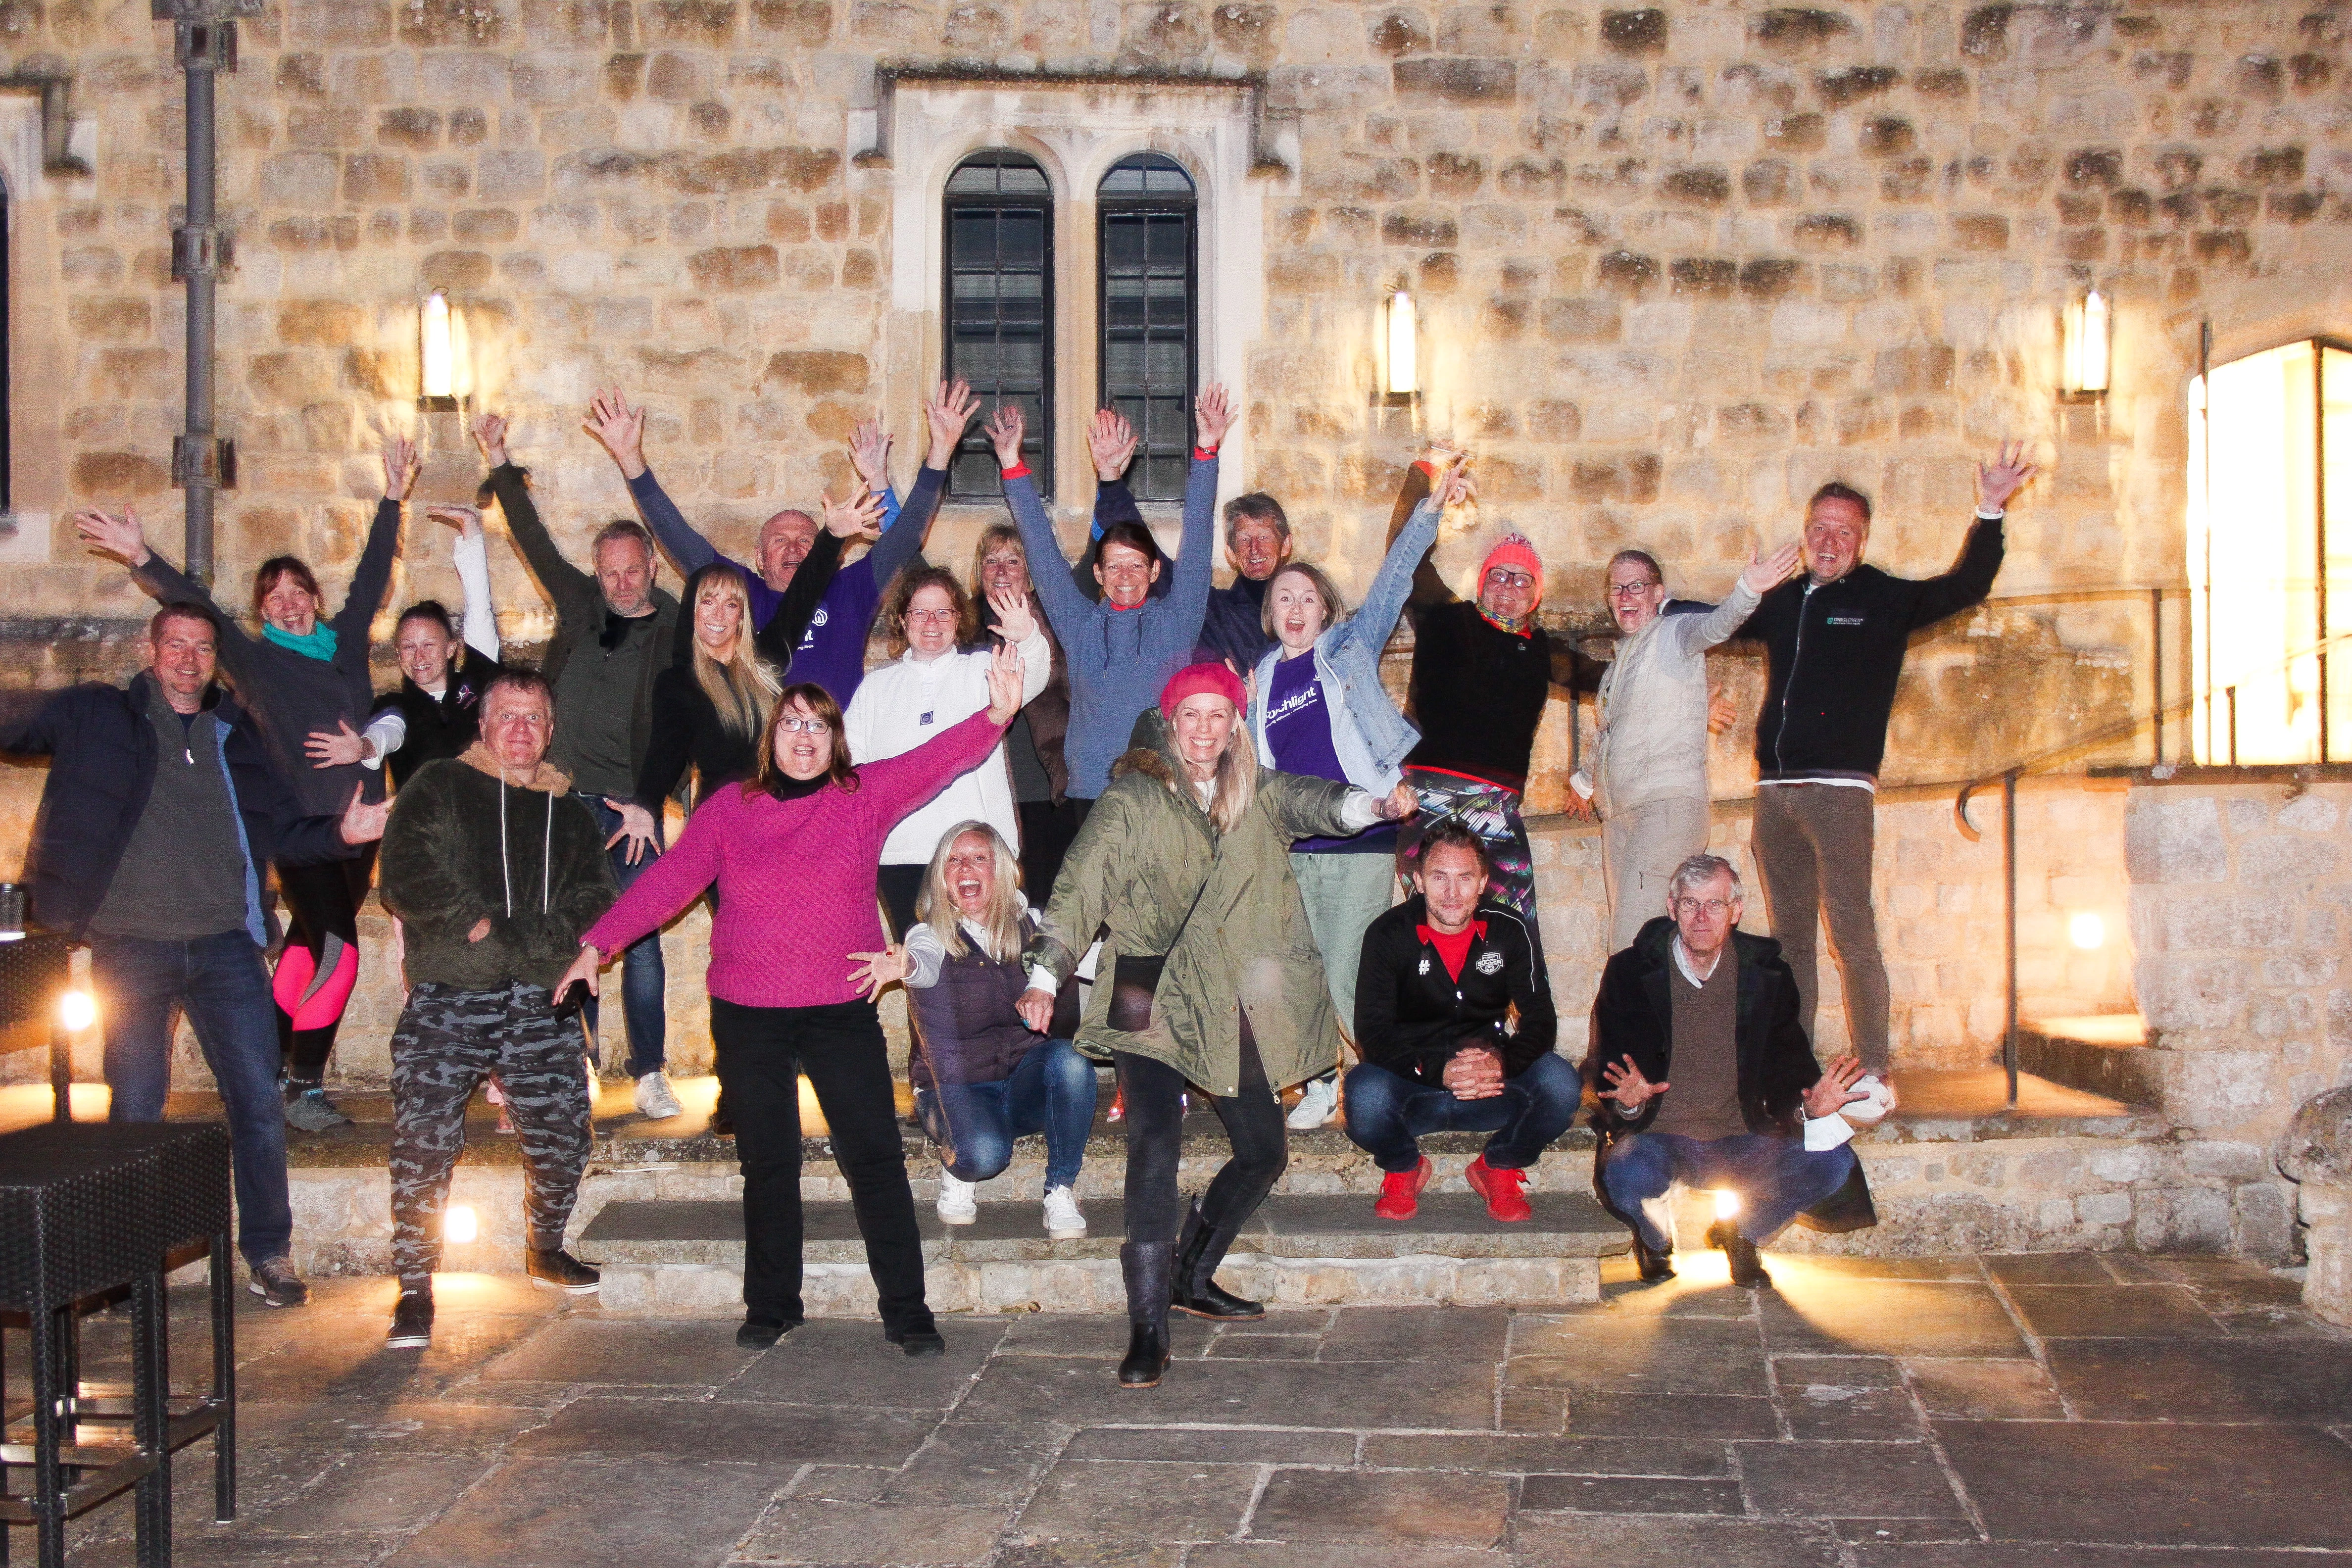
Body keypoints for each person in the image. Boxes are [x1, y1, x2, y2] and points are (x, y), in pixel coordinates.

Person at [560, 645, 1029, 1356]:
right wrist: (599, 944)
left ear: (836, 741)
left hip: (839, 1013)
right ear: (770, 740)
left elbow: (942, 758)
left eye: (817, 726)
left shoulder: (864, 795)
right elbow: (669, 884)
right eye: (791, 725)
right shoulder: (728, 810)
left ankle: (907, 1311)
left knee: (873, 1157)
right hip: (748, 1015)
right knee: (768, 1161)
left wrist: (996, 712)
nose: (804, 738)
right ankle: (773, 1304)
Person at [1016, 664, 1417, 1389]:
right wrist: (1045, 976)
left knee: (1264, 1151)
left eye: (1218, 716)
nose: (1204, 730)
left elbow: (1315, 801)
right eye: (1191, 716)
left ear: (1235, 723)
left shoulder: (1254, 791)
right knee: (1154, 1146)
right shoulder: (1134, 797)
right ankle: (1147, 1327)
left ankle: (1188, 1274)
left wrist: (1373, 805)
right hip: (1149, 988)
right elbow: (1082, 881)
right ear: (1172, 722)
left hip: (1228, 994)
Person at [0, 595, 389, 1307]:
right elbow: (16, 722)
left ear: (215, 660)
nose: (189, 660)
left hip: (225, 949)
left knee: (258, 1104)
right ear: (153, 651)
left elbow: (283, 830)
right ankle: (125, 1266)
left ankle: (269, 1252)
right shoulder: (98, 716)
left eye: (203, 648)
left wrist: (345, 835)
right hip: (131, 948)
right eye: (177, 645)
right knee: (136, 1113)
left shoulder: (237, 737)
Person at [78, 440, 412, 1132]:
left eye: (299, 592)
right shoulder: (256, 664)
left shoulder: (347, 644)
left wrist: (391, 498)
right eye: (275, 597)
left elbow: (374, 577)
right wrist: (143, 557)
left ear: (314, 600)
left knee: (301, 949)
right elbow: (198, 609)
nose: (289, 604)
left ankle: (263, 1074)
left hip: (360, 830)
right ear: (264, 613)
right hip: (303, 835)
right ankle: (305, 1085)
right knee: (337, 950)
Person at [481, 411, 765, 1122]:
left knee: (639, 930)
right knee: (559, 929)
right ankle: (574, 1061)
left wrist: (661, 794)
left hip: (628, 805)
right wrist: (496, 457)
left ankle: (648, 1070)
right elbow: (535, 542)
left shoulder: (676, 625)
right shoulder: (581, 605)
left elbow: (689, 705)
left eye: (633, 570)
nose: (622, 584)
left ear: (649, 564)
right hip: (557, 796)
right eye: (610, 574)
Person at [1740, 448, 2034, 1071]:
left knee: (1853, 938)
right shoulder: (1783, 599)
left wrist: (1990, 509)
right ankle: (1797, 1070)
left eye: (1844, 531)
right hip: (1775, 793)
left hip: (1840, 794)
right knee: (1790, 944)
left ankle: (1874, 1071)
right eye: (1820, 527)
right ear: (1805, 531)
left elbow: (1965, 587)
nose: (1829, 539)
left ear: (1863, 541)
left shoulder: (1882, 599)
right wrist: (1661, 605)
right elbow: (1715, 625)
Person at [375, 669, 618, 1346]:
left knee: (564, 1137)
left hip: (542, 998)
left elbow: (596, 898)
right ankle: (415, 1288)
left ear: (550, 729)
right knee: (425, 1140)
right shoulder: (440, 786)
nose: (520, 730)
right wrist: (472, 923)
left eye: (534, 718)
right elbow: (404, 870)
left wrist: (526, 942)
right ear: (482, 726)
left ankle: (545, 1246)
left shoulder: (570, 812)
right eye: (507, 717)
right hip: (453, 992)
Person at [1252, 458, 1475, 1130]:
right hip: (1297, 847)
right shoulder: (1259, 680)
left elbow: (1389, 587)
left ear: (1326, 611)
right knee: (1300, 972)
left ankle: (1403, 1082)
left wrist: (1428, 512)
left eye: (1308, 599)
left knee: (1349, 974)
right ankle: (1320, 1083)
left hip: (1362, 838)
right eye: (1284, 599)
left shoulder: (1346, 649)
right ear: (1271, 611)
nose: (1296, 610)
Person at [1586, 854, 1878, 1288]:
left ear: (1736, 911)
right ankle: (1655, 1237)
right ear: (1672, 907)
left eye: (1716, 904)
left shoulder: (1767, 974)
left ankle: (1742, 1233)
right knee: (1624, 1170)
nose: (1702, 917)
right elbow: (1606, 1067)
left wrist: (1808, 1109)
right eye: (1690, 904)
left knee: (1832, 1164)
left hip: (1744, 1136)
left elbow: (1789, 1063)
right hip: (1660, 1135)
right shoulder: (1631, 971)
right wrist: (1628, 1106)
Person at [586, 382, 976, 706]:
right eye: (778, 541)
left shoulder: (850, 591)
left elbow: (905, 537)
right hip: (764, 767)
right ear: (758, 558)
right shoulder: (741, 594)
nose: (793, 549)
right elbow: (680, 540)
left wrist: (941, 451)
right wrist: (630, 458)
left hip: (838, 759)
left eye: (807, 540)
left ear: (830, 555)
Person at [1386, 448, 1603, 944]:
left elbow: (1614, 682)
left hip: (1496, 808)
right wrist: (1423, 476)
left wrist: (1683, 671)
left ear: (1535, 594)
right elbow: (1403, 553)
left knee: (1512, 935)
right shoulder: (1446, 619)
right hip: (1427, 799)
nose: (1509, 585)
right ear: (1483, 581)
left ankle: (1506, 1022)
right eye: (1500, 574)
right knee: (1435, 931)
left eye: (1521, 578)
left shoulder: (1544, 651)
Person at [850, 823, 1095, 1240]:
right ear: (942, 879)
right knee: (985, 1158)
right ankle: (961, 1162)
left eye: (979, 858)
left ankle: (1060, 1190)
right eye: (954, 860)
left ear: (999, 870)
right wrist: (904, 965)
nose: (967, 867)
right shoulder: (928, 936)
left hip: (1019, 1086)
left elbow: (1086, 957)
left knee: (1070, 1062)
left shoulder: (1032, 925)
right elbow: (922, 965)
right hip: (953, 1089)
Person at [995, 388, 1232, 815]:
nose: (1126, 577)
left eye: (1137, 566)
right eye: (1115, 567)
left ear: (1155, 572)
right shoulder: (1079, 623)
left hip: (1162, 797)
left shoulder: (1176, 622)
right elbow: (1043, 554)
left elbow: (1197, 537)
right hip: (1089, 799)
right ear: (1099, 575)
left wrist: (1207, 451)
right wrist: (1012, 464)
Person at [1569, 542, 1801, 952]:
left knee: (1631, 945)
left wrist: (1748, 588)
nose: (1625, 597)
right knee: (1640, 946)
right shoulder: (1616, 666)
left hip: (1666, 808)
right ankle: (1663, 1014)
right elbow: (1608, 734)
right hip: (1621, 817)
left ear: (1659, 594)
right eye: (1617, 588)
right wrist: (1585, 783)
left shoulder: (1673, 635)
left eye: (1636, 586)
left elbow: (1715, 626)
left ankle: (1634, 1017)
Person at [1344, 820, 1575, 1222]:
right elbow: (1372, 1031)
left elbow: (1541, 1020)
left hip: (1490, 1090)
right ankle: (1403, 1166)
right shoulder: (1387, 934)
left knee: (1561, 1083)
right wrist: (1438, 1071)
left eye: (1465, 878)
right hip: (1414, 1091)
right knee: (1364, 1094)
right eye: (1439, 878)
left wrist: (1501, 1064)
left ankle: (1499, 1164)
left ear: (1483, 882)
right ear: (1418, 880)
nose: (1452, 894)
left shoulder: (1510, 930)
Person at [845, 569, 1050, 936]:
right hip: (901, 855)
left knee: (994, 965)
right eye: (919, 613)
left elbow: (1031, 676)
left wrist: (1028, 637)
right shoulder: (875, 687)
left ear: (958, 619)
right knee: (923, 976)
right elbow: (851, 768)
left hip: (978, 855)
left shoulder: (981, 669)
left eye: (943, 612)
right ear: (902, 620)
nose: (931, 623)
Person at [362, 501, 507, 789]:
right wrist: (364, 748)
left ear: (451, 648)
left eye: (429, 644)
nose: (419, 656)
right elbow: (386, 732)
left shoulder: (478, 683)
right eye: (408, 646)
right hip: (426, 827)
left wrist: (472, 533)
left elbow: (480, 607)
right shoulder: (395, 706)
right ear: (397, 653)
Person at [971, 524, 1080, 901]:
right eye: (991, 561)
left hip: (1044, 782)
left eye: (1013, 561)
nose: (1001, 571)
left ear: (1031, 574)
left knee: (1047, 897)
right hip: (981, 785)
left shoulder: (1059, 618)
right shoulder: (962, 624)